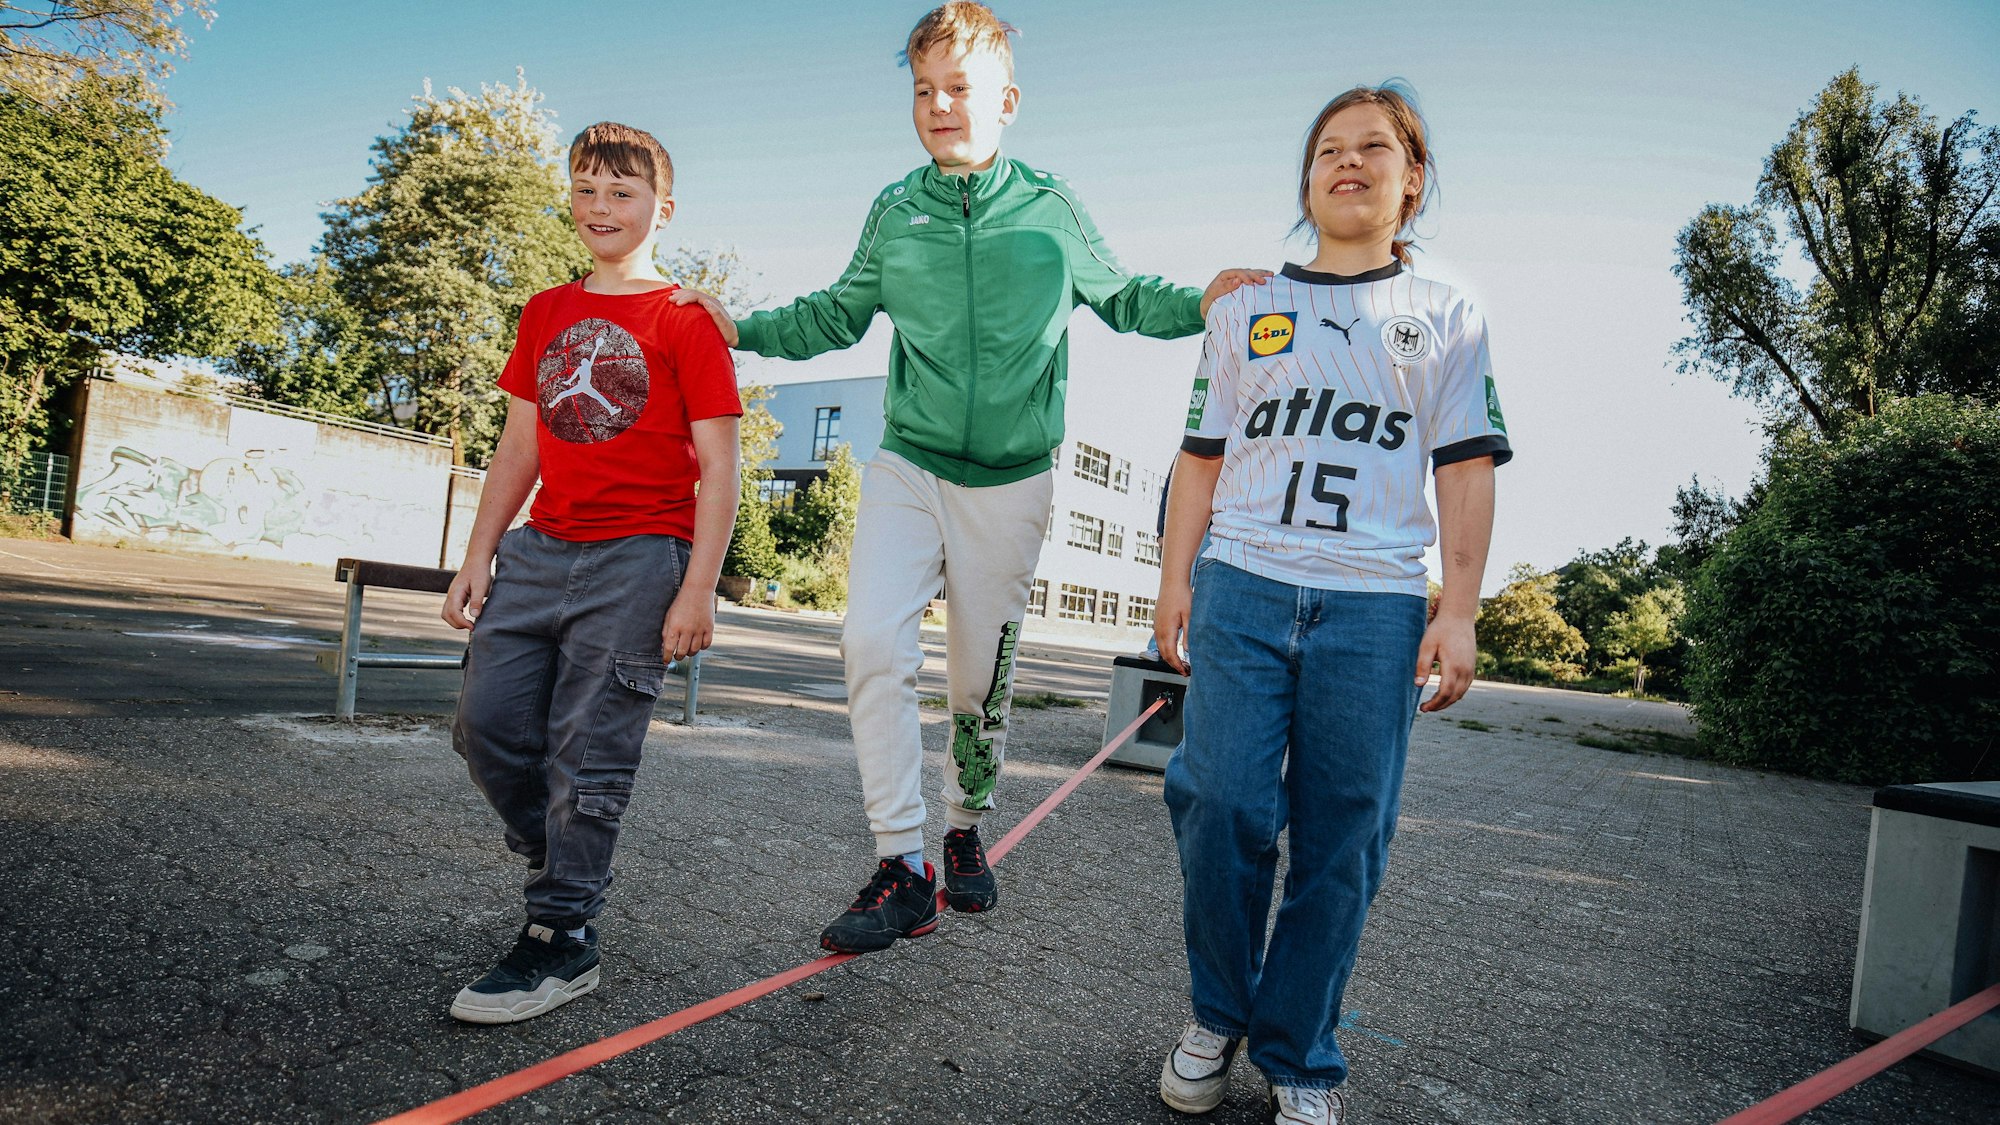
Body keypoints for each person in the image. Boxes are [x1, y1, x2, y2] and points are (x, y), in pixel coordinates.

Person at [675, 1, 1267, 954]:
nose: (939, 106)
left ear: (1007, 99)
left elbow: (1122, 295)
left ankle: (961, 824)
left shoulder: (1050, 208)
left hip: (1012, 478)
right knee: (869, 639)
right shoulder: (894, 210)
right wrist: (739, 327)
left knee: (975, 685)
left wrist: (1205, 298)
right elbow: (836, 313)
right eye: (923, 91)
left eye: (960, 90)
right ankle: (900, 861)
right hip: (909, 462)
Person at [1152, 85, 1509, 1124]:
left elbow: (1467, 467)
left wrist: (1459, 607)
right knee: (1218, 802)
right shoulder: (1241, 308)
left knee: (1344, 832)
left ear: (1412, 178)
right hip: (1244, 582)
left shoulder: (1447, 314)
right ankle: (1215, 1014)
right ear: (1305, 178)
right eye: (1325, 150)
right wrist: (1175, 578)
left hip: (1374, 604)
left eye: (1372, 148)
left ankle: (1299, 1053)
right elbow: (1196, 460)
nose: (1345, 164)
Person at [439, 122, 743, 1024]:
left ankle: (561, 936)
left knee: (588, 751)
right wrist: (478, 551)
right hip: (541, 550)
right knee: (483, 725)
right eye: (585, 189)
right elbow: (519, 444)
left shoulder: (686, 319)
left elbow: (720, 466)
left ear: (663, 207)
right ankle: (567, 851)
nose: (600, 207)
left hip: (642, 558)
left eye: (621, 191)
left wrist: (698, 587)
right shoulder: (545, 311)